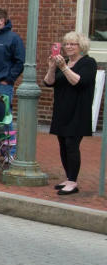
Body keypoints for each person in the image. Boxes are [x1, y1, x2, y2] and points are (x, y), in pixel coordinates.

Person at [44, 32, 97, 196]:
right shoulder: (63, 62)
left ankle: (73, 182)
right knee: (62, 145)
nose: (68, 47)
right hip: (62, 110)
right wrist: (52, 67)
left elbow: (78, 82)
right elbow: (48, 82)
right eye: (66, 44)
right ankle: (68, 178)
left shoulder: (88, 63)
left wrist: (64, 68)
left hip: (78, 111)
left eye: (72, 44)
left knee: (71, 145)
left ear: (81, 46)